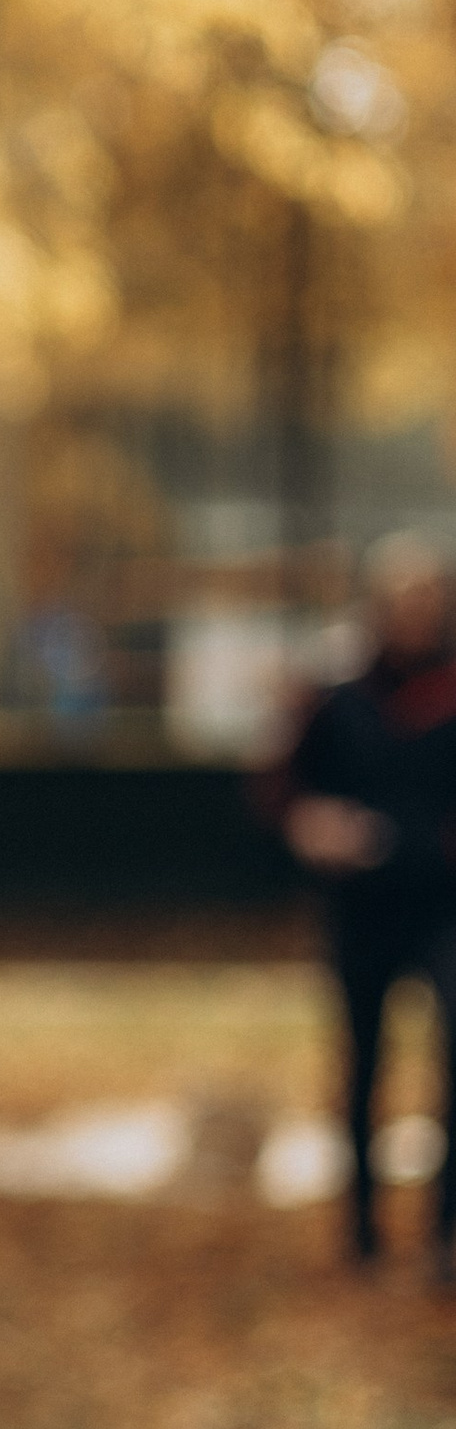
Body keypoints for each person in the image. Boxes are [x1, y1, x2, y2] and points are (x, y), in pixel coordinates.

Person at [281, 531, 456, 1276]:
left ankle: (446, 1233)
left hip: (446, 906)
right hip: (362, 910)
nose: (415, 611)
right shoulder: (337, 699)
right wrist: (313, 826)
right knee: (363, 1065)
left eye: (429, 597)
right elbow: (283, 793)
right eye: (402, 597)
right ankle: (360, 1233)